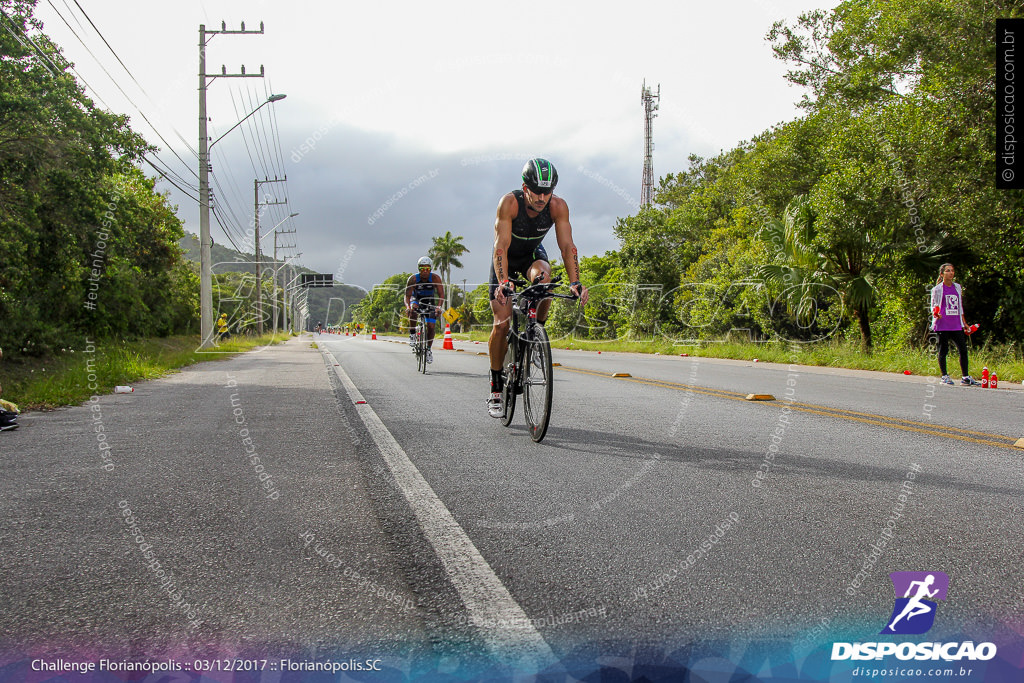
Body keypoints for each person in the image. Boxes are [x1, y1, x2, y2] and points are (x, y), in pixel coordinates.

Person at [487, 158, 589, 417]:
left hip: (532, 254)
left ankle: (535, 333)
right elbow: (501, 247)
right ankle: (496, 385)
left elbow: (568, 247)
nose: (542, 197)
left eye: (548, 191)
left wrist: (576, 282)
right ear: (525, 187)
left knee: (545, 280)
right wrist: (503, 281)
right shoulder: (510, 203)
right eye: (537, 191)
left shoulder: (557, 206)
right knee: (501, 324)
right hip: (506, 258)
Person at [930, 263, 979, 386]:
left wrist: (965, 323)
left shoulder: (957, 287)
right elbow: (934, 306)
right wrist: (936, 314)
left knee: (963, 349)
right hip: (943, 324)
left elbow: (959, 307)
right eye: (948, 271)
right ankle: (944, 376)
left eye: (952, 270)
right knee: (944, 350)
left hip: (956, 324)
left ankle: (965, 377)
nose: (951, 273)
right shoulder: (937, 289)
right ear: (942, 274)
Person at [405, 256, 444, 363]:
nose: (425, 271)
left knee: (431, 326)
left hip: (429, 302)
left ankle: (428, 350)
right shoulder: (413, 279)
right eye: (422, 268)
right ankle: (412, 333)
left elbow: (441, 295)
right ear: (418, 269)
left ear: (430, 269)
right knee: (412, 310)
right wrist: (408, 307)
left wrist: (438, 307)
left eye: (427, 268)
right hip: (416, 300)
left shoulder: (436, 278)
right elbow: (407, 296)